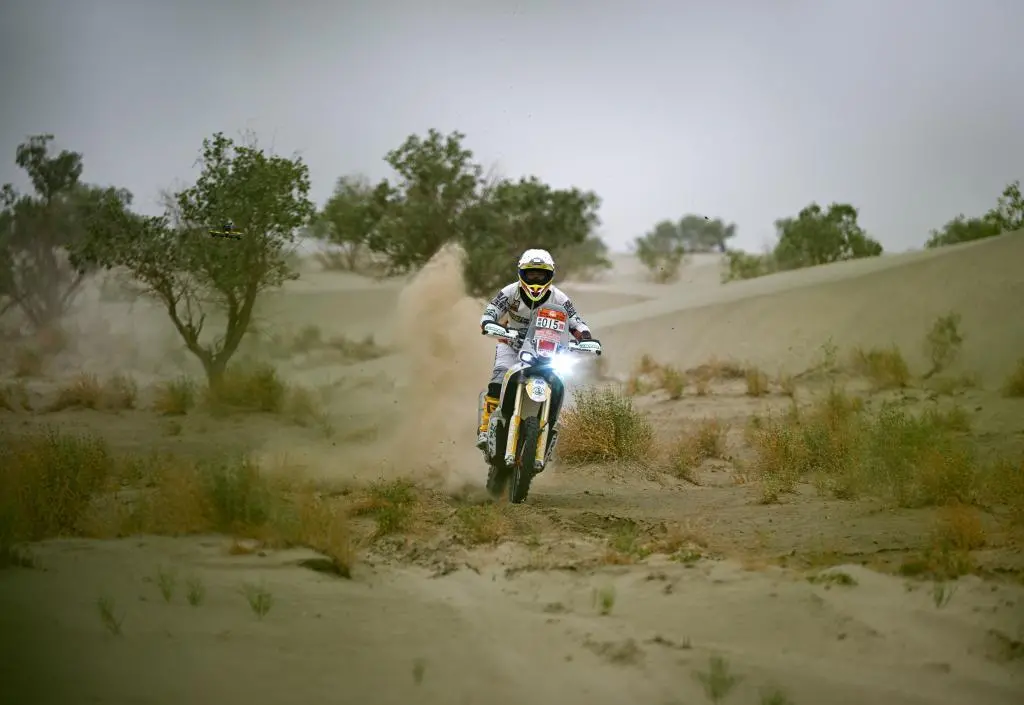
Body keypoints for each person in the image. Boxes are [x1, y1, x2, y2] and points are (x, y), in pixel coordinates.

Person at [477, 248, 597, 449]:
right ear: (521, 273)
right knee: (498, 379)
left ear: (550, 275)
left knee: (560, 383)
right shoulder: (509, 292)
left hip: (546, 353)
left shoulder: (560, 298)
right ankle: (485, 429)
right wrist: (489, 323)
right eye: (531, 274)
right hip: (512, 346)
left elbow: (576, 322)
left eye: (540, 275)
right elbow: (490, 312)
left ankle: (550, 428)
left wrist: (585, 337)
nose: (535, 279)